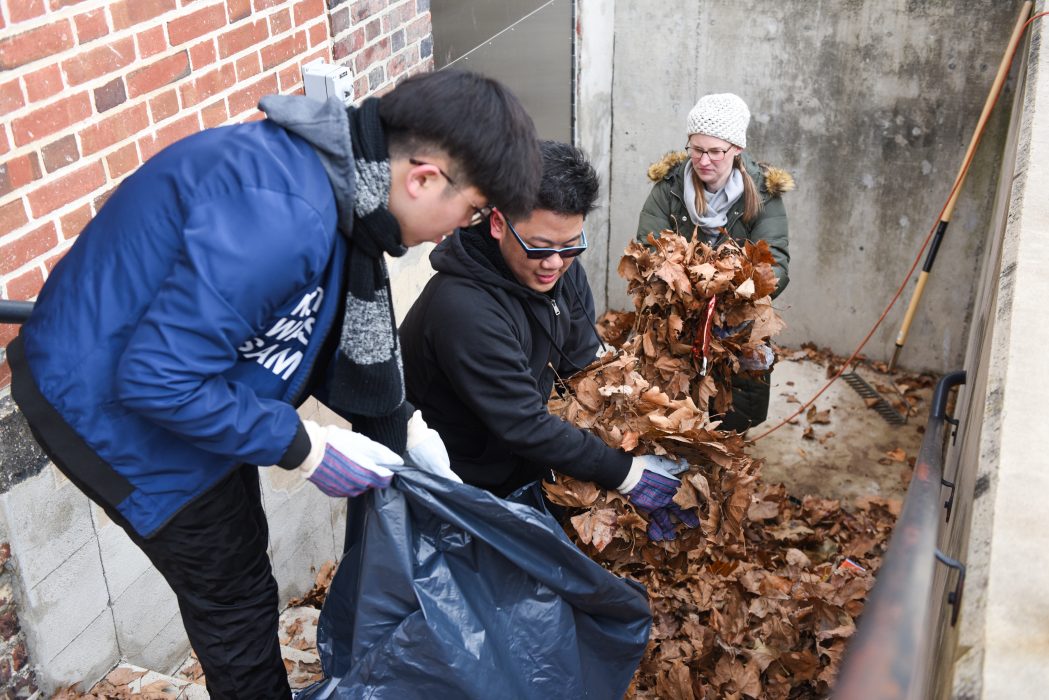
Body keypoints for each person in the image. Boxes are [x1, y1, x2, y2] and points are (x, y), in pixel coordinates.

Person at [7, 69, 540, 699]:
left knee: (244, 562)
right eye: (473, 210)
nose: (463, 228)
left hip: (192, 380)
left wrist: (402, 421)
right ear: (422, 178)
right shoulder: (284, 214)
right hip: (105, 405)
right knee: (234, 598)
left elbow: (314, 324)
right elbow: (160, 381)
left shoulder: (343, 190)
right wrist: (305, 446)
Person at [400, 140, 699, 544]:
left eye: (570, 245)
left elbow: (581, 364)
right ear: (498, 223)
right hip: (456, 488)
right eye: (539, 247)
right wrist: (626, 474)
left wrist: (639, 432)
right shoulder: (462, 308)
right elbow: (523, 423)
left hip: (521, 465)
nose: (555, 263)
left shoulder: (561, 270)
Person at [636, 92, 794, 432]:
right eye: (696, 149)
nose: (703, 160)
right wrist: (684, 293)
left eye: (715, 151)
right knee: (670, 412)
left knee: (734, 416)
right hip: (675, 320)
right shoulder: (669, 188)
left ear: (737, 149)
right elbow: (648, 248)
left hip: (735, 324)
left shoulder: (762, 195)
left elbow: (775, 265)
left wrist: (729, 300)